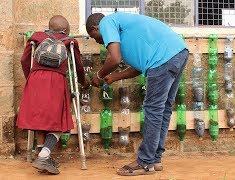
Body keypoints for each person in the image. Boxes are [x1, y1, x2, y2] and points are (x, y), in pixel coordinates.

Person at [86, 12, 189, 176]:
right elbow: (139, 67)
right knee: (163, 109)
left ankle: (145, 162)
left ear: (95, 27)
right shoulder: (126, 32)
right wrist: (113, 77)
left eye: (94, 37)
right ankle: (155, 159)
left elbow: (114, 58)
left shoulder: (106, 21)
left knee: (153, 108)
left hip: (163, 58)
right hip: (178, 51)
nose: (99, 42)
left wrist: (98, 76)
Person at [16, 15, 89, 175]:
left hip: (35, 80)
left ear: (49, 27)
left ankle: (42, 157)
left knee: (40, 119)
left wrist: (31, 77)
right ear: (65, 30)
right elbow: (78, 67)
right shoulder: (69, 41)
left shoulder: (36, 37)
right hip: (55, 82)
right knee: (60, 120)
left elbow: (23, 60)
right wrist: (84, 83)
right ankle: (44, 154)